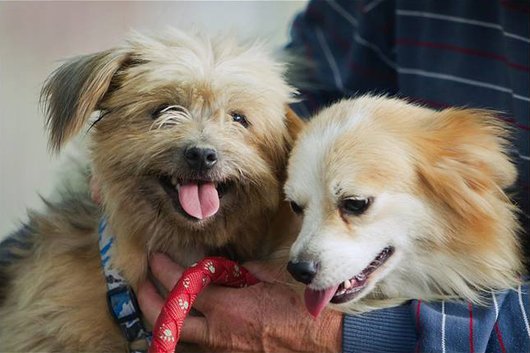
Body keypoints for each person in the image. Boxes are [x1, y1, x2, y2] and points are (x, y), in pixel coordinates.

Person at [140, 1, 530, 352]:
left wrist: (363, 337)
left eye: (355, 205)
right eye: (299, 206)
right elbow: (305, 84)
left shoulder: (461, 167)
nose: (301, 259)